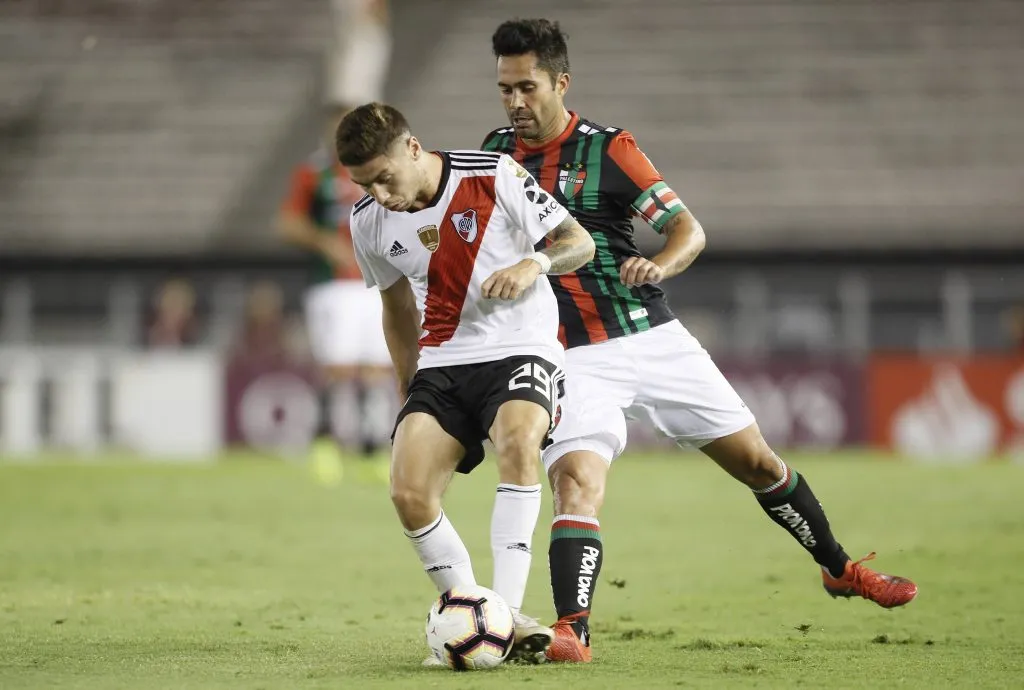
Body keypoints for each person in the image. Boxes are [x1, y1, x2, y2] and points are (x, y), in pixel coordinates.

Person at [480, 19, 918, 663]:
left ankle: (839, 568)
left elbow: (688, 230)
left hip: (649, 335)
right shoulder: (493, 155)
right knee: (575, 482)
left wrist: (660, 264)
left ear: (561, 82)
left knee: (759, 464)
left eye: (527, 88)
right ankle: (573, 629)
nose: (515, 102)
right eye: (505, 89)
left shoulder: (609, 149)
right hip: (568, 353)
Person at [336, 102, 596, 663]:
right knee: (408, 493)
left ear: (413, 149)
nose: (379, 194)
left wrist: (533, 265)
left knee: (519, 442)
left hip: (521, 346)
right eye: (364, 184)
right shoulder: (367, 220)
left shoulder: (493, 173)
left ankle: (507, 613)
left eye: (384, 178)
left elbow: (579, 242)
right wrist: (408, 387)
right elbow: (396, 310)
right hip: (443, 362)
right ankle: (485, 614)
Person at [278, 104, 395, 469]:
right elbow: (288, 224)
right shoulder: (314, 174)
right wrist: (324, 241)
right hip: (333, 285)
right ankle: (325, 442)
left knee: (377, 368)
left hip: (377, 283)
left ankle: (372, 448)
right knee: (338, 367)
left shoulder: (381, 172)